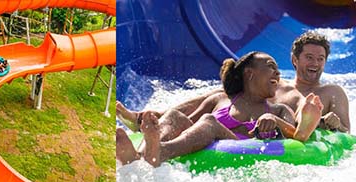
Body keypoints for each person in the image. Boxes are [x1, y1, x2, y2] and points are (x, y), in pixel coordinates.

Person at [117, 31, 350, 133]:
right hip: (245, 124)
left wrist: (335, 124)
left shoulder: (332, 92)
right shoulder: (276, 83)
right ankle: (150, 118)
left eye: (321, 59)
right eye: (309, 57)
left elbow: (346, 135)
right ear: (295, 60)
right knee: (219, 95)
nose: (315, 63)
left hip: (276, 133)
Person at [116, 51, 323, 167]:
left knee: (209, 122)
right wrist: (163, 125)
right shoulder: (221, 100)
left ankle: (159, 152)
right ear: (249, 74)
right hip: (205, 142)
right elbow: (187, 123)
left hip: (242, 152)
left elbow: (295, 138)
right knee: (174, 115)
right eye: (271, 66)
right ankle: (141, 155)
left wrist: (275, 121)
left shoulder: (278, 110)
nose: (278, 73)